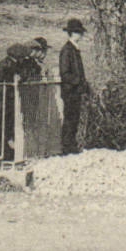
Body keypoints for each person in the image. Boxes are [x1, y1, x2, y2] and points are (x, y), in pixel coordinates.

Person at [57, 19, 89, 155]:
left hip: (76, 90)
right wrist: (78, 81)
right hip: (70, 91)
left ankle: (72, 145)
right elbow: (65, 73)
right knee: (70, 118)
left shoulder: (74, 49)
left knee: (74, 118)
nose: (80, 35)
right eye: (77, 32)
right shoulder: (67, 50)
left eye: (80, 32)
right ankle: (67, 146)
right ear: (71, 33)